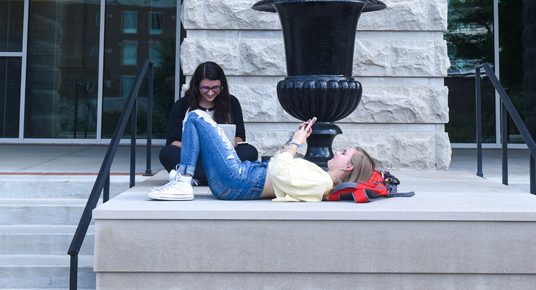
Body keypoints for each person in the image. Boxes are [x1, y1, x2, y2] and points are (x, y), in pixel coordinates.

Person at [148, 112, 376, 202]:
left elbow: (279, 173)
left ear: (348, 168)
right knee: (194, 120)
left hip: (238, 179)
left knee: (197, 117)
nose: (337, 152)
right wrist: (293, 140)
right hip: (238, 178)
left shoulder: (323, 182)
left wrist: (296, 144)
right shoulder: (321, 177)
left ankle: (183, 181)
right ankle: (182, 180)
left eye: (344, 154)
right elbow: (280, 166)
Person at [159, 62, 258, 185]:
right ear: (197, 86)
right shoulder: (182, 105)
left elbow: (240, 137)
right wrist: (199, 147)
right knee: (167, 153)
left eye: (215, 88)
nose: (210, 93)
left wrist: (220, 147)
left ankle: (195, 176)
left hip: (221, 156)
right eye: (205, 88)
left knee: (250, 151)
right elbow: (172, 141)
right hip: (194, 158)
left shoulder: (231, 102)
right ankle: (220, 176)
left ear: (222, 86)